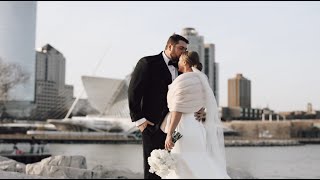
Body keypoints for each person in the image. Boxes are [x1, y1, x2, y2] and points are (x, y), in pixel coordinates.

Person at [128, 34, 205, 179]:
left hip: (179, 127)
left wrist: (200, 109)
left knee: (177, 168)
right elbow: (133, 91)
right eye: (181, 48)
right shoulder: (147, 63)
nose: (184, 52)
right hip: (152, 125)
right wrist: (140, 120)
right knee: (155, 169)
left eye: (185, 49)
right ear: (170, 46)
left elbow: (192, 93)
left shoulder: (183, 67)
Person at [162, 51, 231, 179]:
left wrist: (169, 134)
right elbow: (204, 102)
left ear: (185, 62)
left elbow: (177, 110)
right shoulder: (201, 79)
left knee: (182, 163)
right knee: (197, 161)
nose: (178, 63)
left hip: (183, 128)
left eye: (180, 61)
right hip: (196, 127)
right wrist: (202, 109)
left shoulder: (183, 80)